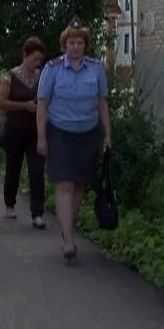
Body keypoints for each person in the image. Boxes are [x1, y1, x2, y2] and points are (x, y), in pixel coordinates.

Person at [36, 16, 112, 261]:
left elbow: (102, 103)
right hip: (60, 132)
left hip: (88, 133)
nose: (76, 47)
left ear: (85, 45)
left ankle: (67, 225)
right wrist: (41, 137)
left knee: (79, 183)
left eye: (80, 42)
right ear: (64, 45)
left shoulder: (96, 69)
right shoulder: (53, 69)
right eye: (71, 43)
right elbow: (42, 105)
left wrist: (107, 134)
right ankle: (69, 241)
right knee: (65, 184)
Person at [0, 36, 47, 228]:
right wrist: (24, 105)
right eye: (34, 59)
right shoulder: (10, 76)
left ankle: (37, 213)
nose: (36, 63)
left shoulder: (42, 77)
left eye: (39, 60)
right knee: (13, 168)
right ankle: (10, 203)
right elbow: (0, 102)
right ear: (25, 56)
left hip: (35, 131)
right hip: (14, 130)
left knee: (36, 169)